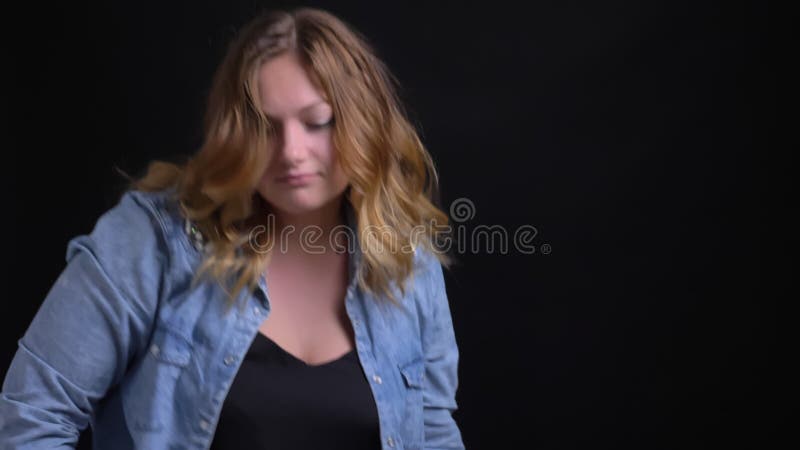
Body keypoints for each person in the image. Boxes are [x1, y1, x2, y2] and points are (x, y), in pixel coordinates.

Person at [0, 6, 464, 450]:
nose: (291, 151)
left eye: (317, 122)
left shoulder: (409, 263)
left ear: (363, 126)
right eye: (265, 126)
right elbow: (34, 414)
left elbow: (433, 433)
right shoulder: (153, 243)